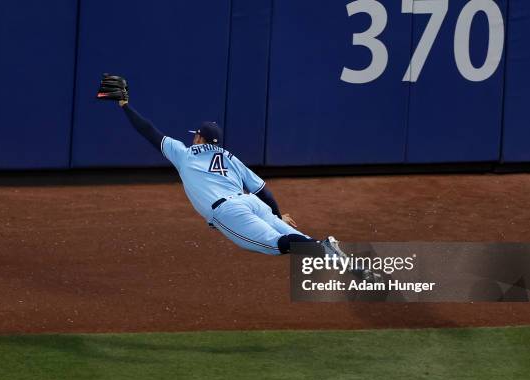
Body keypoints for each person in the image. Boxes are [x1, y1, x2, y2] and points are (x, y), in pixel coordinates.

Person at [96, 74, 378, 281]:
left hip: (229, 211)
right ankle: (344, 262)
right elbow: (263, 191)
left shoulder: (184, 153)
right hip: (252, 203)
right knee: (296, 240)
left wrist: (124, 105)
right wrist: (278, 215)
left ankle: (326, 247)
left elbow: (149, 131)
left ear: (199, 137)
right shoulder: (230, 157)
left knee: (276, 247)